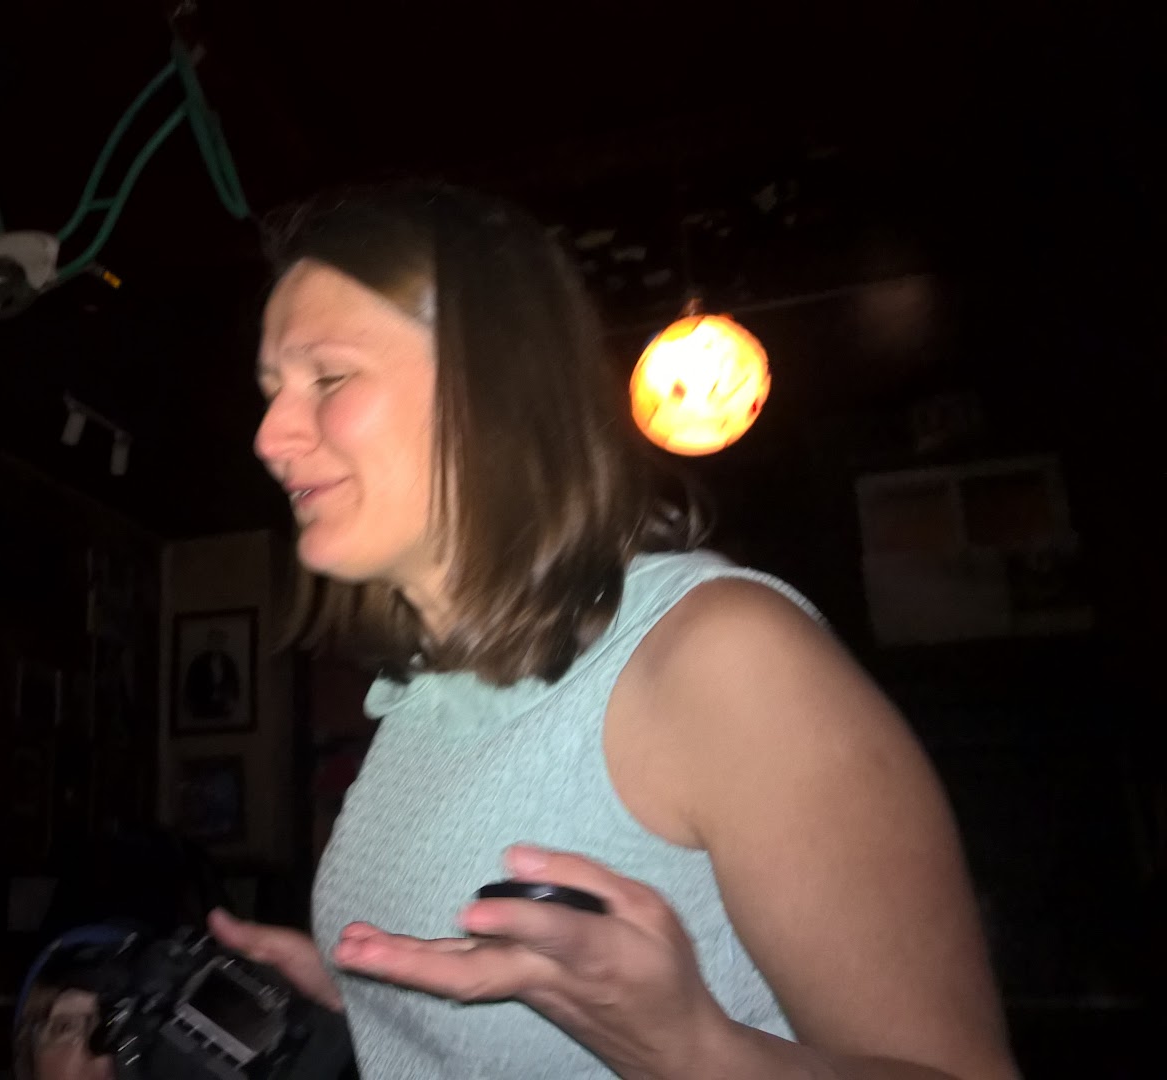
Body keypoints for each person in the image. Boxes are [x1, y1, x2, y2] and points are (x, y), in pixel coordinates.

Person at [208, 186, 1019, 1079]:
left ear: (497, 385)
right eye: (272, 391)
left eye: (327, 379)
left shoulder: (725, 657)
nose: (270, 437)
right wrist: (363, 997)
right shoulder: (421, 700)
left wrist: (696, 1054)